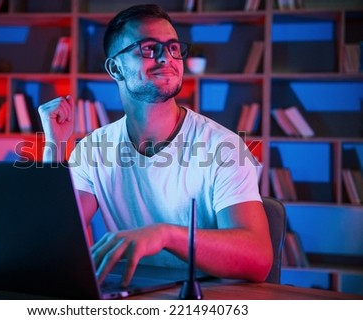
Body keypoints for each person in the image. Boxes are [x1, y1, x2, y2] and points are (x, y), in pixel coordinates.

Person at [38, 4, 273, 287]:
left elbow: (258, 259)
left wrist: (166, 235)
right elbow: (51, 241)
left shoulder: (223, 147)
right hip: (132, 294)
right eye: (149, 48)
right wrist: (55, 146)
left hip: (206, 299)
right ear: (115, 68)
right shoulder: (94, 148)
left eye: (174, 48)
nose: (167, 58)